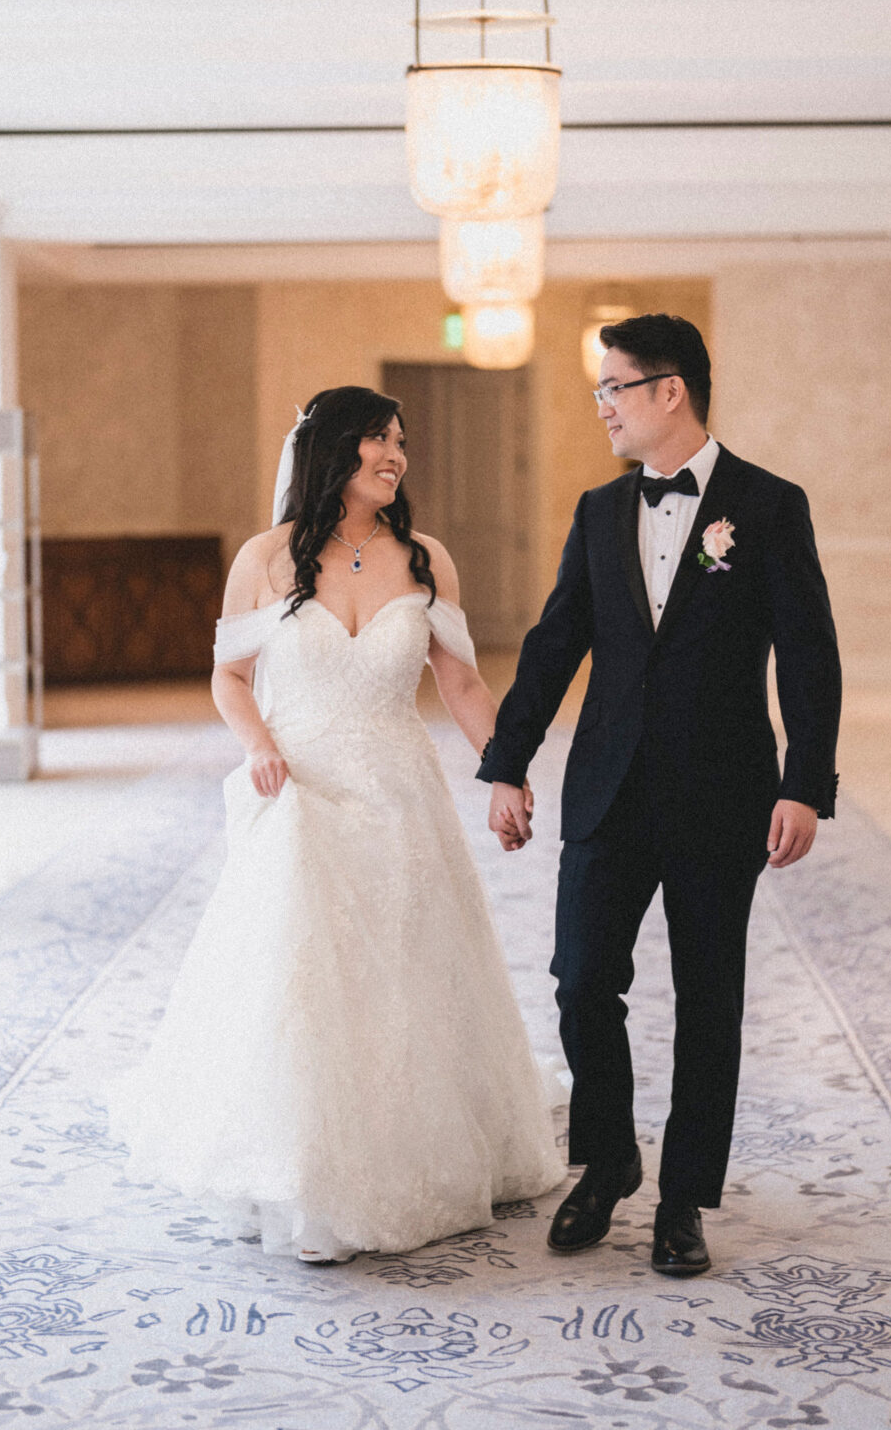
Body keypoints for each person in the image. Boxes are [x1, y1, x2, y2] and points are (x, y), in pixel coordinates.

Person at [108, 384, 565, 1263]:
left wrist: (505, 770)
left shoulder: (425, 558)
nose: (395, 455)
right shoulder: (266, 558)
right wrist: (257, 747)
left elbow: (461, 682)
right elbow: (229, 677)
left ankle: (415, 1145)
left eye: (400, 441)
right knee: (305, 976)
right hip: (302, 791)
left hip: (399, 793)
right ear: (331, 452)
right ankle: (310, 1164)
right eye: (376, 440)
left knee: (405, 966)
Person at [479, 314, 842, 1274]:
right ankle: (607, 1162)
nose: (599, 406)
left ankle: (682, 1200)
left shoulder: (767, 506)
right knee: (580, 978)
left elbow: (808, 654)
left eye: (613, 388)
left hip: (723, 794)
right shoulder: (599, 511)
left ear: (667, 390)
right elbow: (557, 641)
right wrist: (506, 762)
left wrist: (806, 783)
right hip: (606, 789)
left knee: (708, 999)